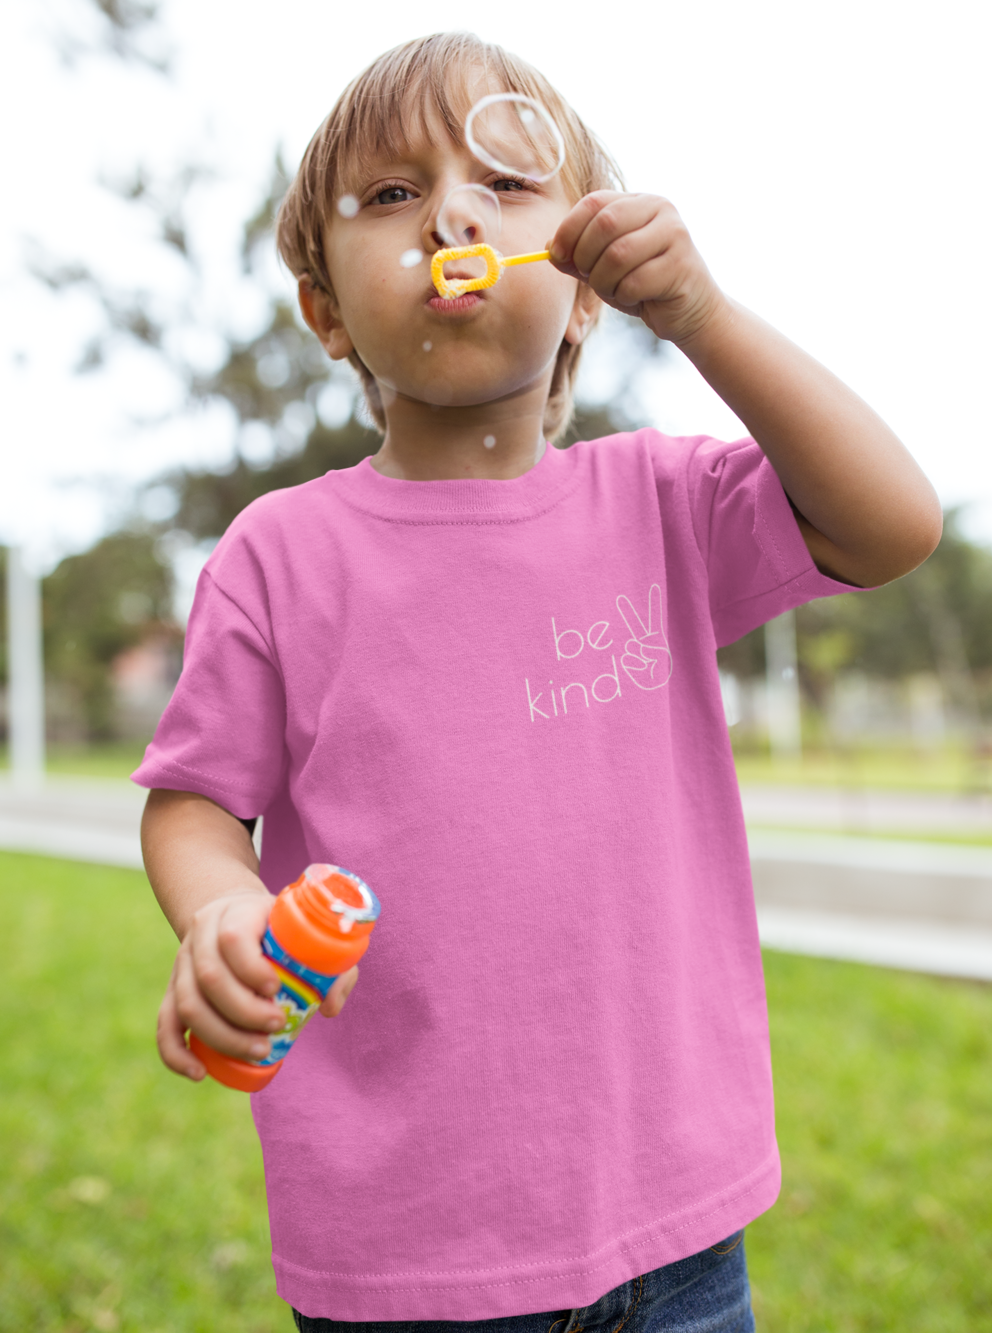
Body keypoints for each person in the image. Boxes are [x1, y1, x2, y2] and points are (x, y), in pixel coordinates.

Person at [135, 32, 942, 1333]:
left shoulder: (661, 504)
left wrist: (706, 317)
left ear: (579, 289)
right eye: (392, 196)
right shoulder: (278, 555)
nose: (452, 211)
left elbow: (891, 525)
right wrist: (222, 911)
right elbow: (192, 800)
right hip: (404, 1252)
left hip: (678, 1232)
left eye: (505, 184)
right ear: (327, 309)